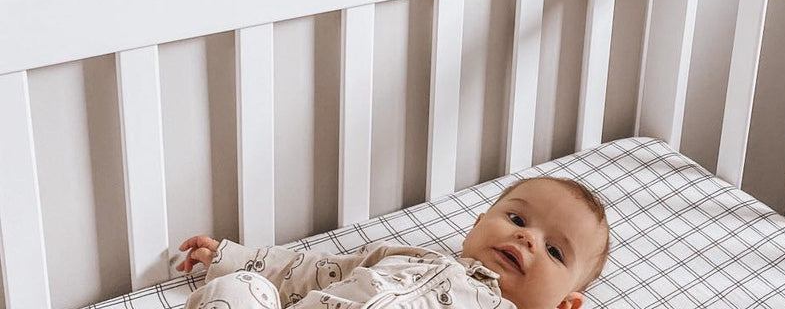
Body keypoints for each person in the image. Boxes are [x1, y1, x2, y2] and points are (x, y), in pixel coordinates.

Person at [177, 176, 610, 309]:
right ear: (476, 226)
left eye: (555, 251)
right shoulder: (407, 257)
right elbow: (312, 270)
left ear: (565, 306)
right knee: (244, 291)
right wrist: (236, 258)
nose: (527, 237)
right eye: (516, 218)